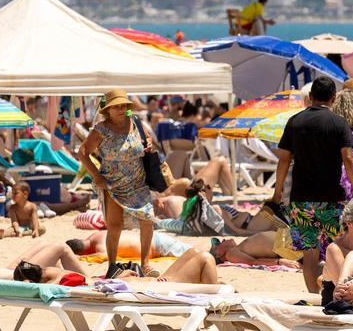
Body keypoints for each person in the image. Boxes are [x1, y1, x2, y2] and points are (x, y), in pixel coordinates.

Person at [272, 77, 353, 292]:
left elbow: (284, 159)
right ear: (334, 98)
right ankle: (339, 293)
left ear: (310, 97)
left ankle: (313, 297)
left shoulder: (295, 121)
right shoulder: (339, 123)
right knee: (339, 249)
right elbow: (349, 158)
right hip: (332, 199)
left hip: (301, 199)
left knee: (309, 253)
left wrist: (277, 193)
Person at [77, 89, 159, 279]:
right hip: (112, 184)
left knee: (147, 220)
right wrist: (97, 176)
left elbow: (148, 142)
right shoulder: (101, 129)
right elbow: (83, 152)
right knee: (115, 226)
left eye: (124, 106)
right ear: (108, 110)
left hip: (139, 181)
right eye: (117, 107)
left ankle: (145, 264)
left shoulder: (136, 123)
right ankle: (112, 266)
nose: (121, 109)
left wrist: (148, 146)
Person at [14, 247, 219, 286]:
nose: (47, 268)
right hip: (158, 286)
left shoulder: (57, 278)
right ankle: (212, 313)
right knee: (205, 258)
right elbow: (94, 288)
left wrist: (115, 279)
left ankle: (212, 291)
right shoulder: (57, 282)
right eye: (41, 270)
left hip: (149, 282)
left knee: (194, 252)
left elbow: (94, 285)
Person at [66, 230, 194, 260]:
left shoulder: (100, 244)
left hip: (158, 245)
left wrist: (81, 258)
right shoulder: (94, 236)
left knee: (194, 254)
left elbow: (104, 255)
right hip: (154, 239)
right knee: (191, 251)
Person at [211, 233, 301, 269]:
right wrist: (279, 262)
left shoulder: (239, 248)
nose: (223, 239)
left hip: (289, 240)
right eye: (218, 243)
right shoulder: (231, 254)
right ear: (219, 255)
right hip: (290, 246)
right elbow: (253, 262)